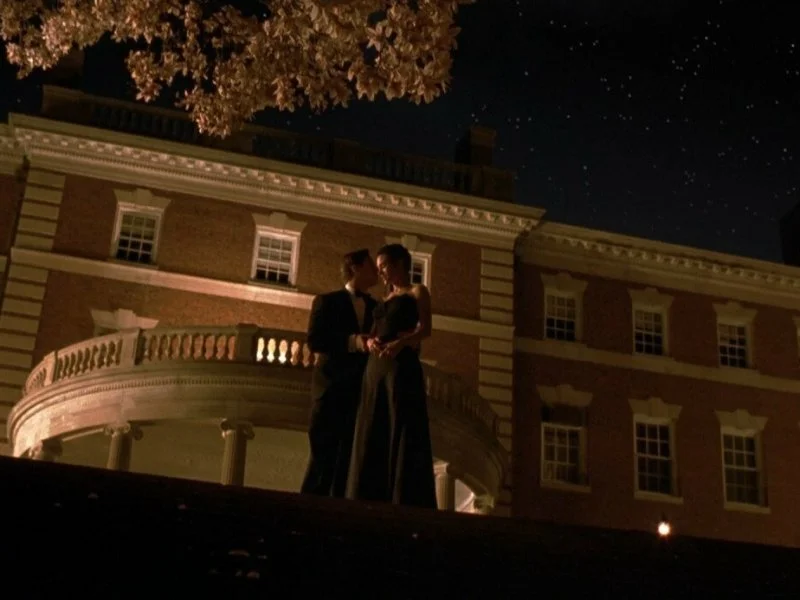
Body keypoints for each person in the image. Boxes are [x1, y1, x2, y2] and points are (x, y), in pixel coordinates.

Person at [346, 243, 437, 508]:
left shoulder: (417, 291)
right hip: (375, 367)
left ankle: (402, 497)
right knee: (372, 423)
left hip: (400, 364)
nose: (381, 272)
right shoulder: (384, 298)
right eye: (378, 267)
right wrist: (371, 341)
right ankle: (366, 494)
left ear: (399, 264)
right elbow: (377, 329)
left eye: (384, 266)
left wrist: (402, 343)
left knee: (399, 421)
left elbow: (426, 329)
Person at [300, 248, 379, 497]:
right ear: (355, 267)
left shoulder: (377, 308)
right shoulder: (327, 301)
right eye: (371, 266)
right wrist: (354, 342)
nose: (376, 271)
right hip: (331, 388)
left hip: (360, 392)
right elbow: (315, 340)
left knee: (349, 458)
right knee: (322, 452)